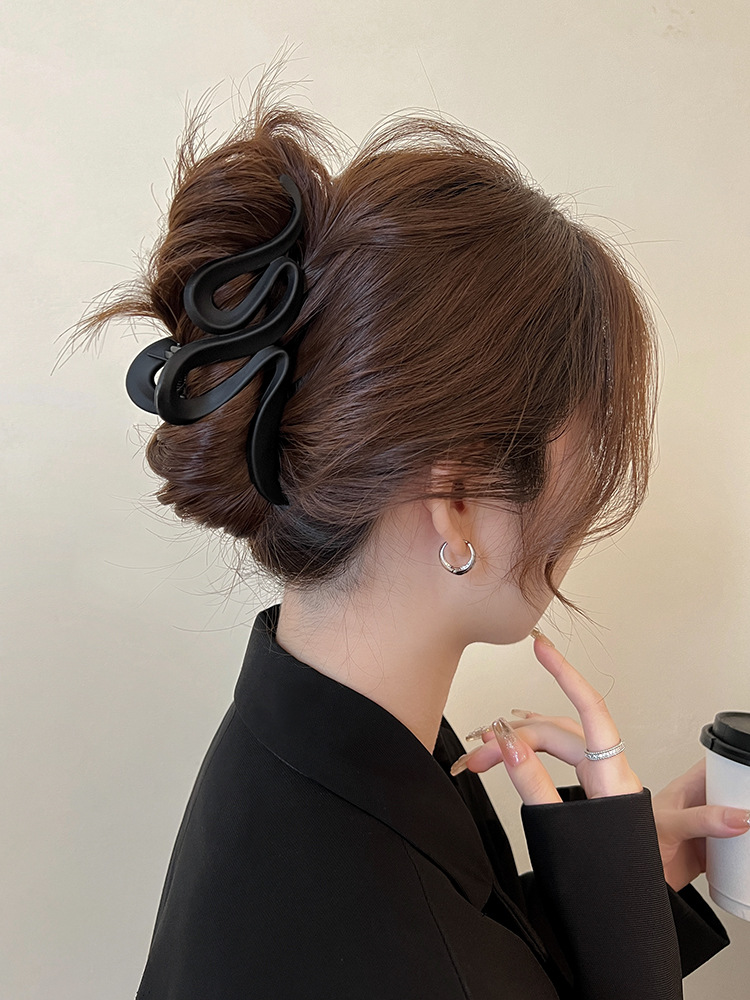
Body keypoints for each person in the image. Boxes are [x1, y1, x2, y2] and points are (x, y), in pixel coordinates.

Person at [72, 69, 743, 999]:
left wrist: (621, 892)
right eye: (591, 440)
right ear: (458, 496)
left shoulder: (309, 745)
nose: (593, 495)